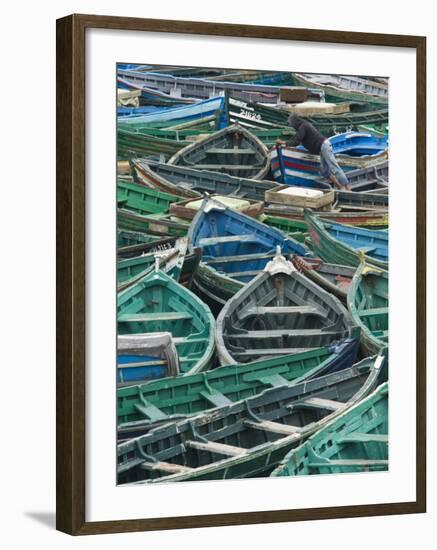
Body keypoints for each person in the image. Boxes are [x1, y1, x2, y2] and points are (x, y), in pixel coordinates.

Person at [277, 114, 351, 191]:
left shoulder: (304, 126)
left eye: (292, 124)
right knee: (324, 172)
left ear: (295, 122)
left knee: (334, 167)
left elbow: (296, 140)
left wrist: (284, 143)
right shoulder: (302, 127)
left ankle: (348, 188)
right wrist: (286, 143)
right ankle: (338, 185)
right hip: (321, 148)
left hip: (324, 146)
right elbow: (295, 138)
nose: (292, 126)